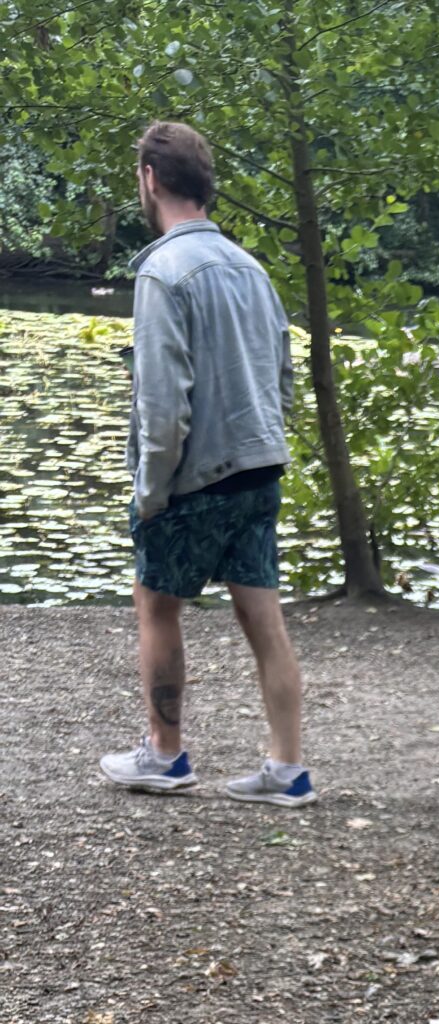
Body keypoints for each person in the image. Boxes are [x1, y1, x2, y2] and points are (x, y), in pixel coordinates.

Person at [100, 121, 315, 804]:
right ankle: (287, 770)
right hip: (260, 466)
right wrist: (264, 441)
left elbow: (163, 402)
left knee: (156, 603)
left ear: (149, 179)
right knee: (263, 616)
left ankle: (165, 755)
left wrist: (150, 492)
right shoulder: (252, 268)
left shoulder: (162, 271)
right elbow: (282, 377)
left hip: (195, 475)